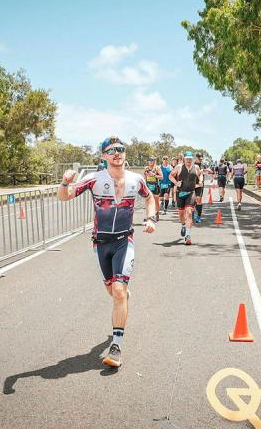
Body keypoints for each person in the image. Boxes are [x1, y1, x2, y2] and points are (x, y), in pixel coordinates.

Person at [58, 136, 157, 368]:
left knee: (119, 291)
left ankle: (117, 346)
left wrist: (150, 218)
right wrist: (64, 183)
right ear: (103, 156)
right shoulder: (94, 179)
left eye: (120, 149)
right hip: (101, 243)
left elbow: (150, 198)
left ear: (125, 153)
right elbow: (64, 197)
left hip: (124, 240)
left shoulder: (137, 179)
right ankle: (121, 298)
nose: (117, 153)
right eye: (111, 150)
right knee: (112, 291)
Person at [169, 152, 201, 245]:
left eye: (190, 158)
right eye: (187, 158)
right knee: (181, 214)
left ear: (192, 159)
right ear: (184, 159)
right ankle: (183, 225)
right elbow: (170, 176)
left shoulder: (196, 167)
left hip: (191, 193)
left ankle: (188, 235)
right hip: (180, 194)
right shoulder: (179, 167)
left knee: (189, 213)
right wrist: (176, 182)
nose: (188, 160)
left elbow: (200, 175)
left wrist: (201, 181)